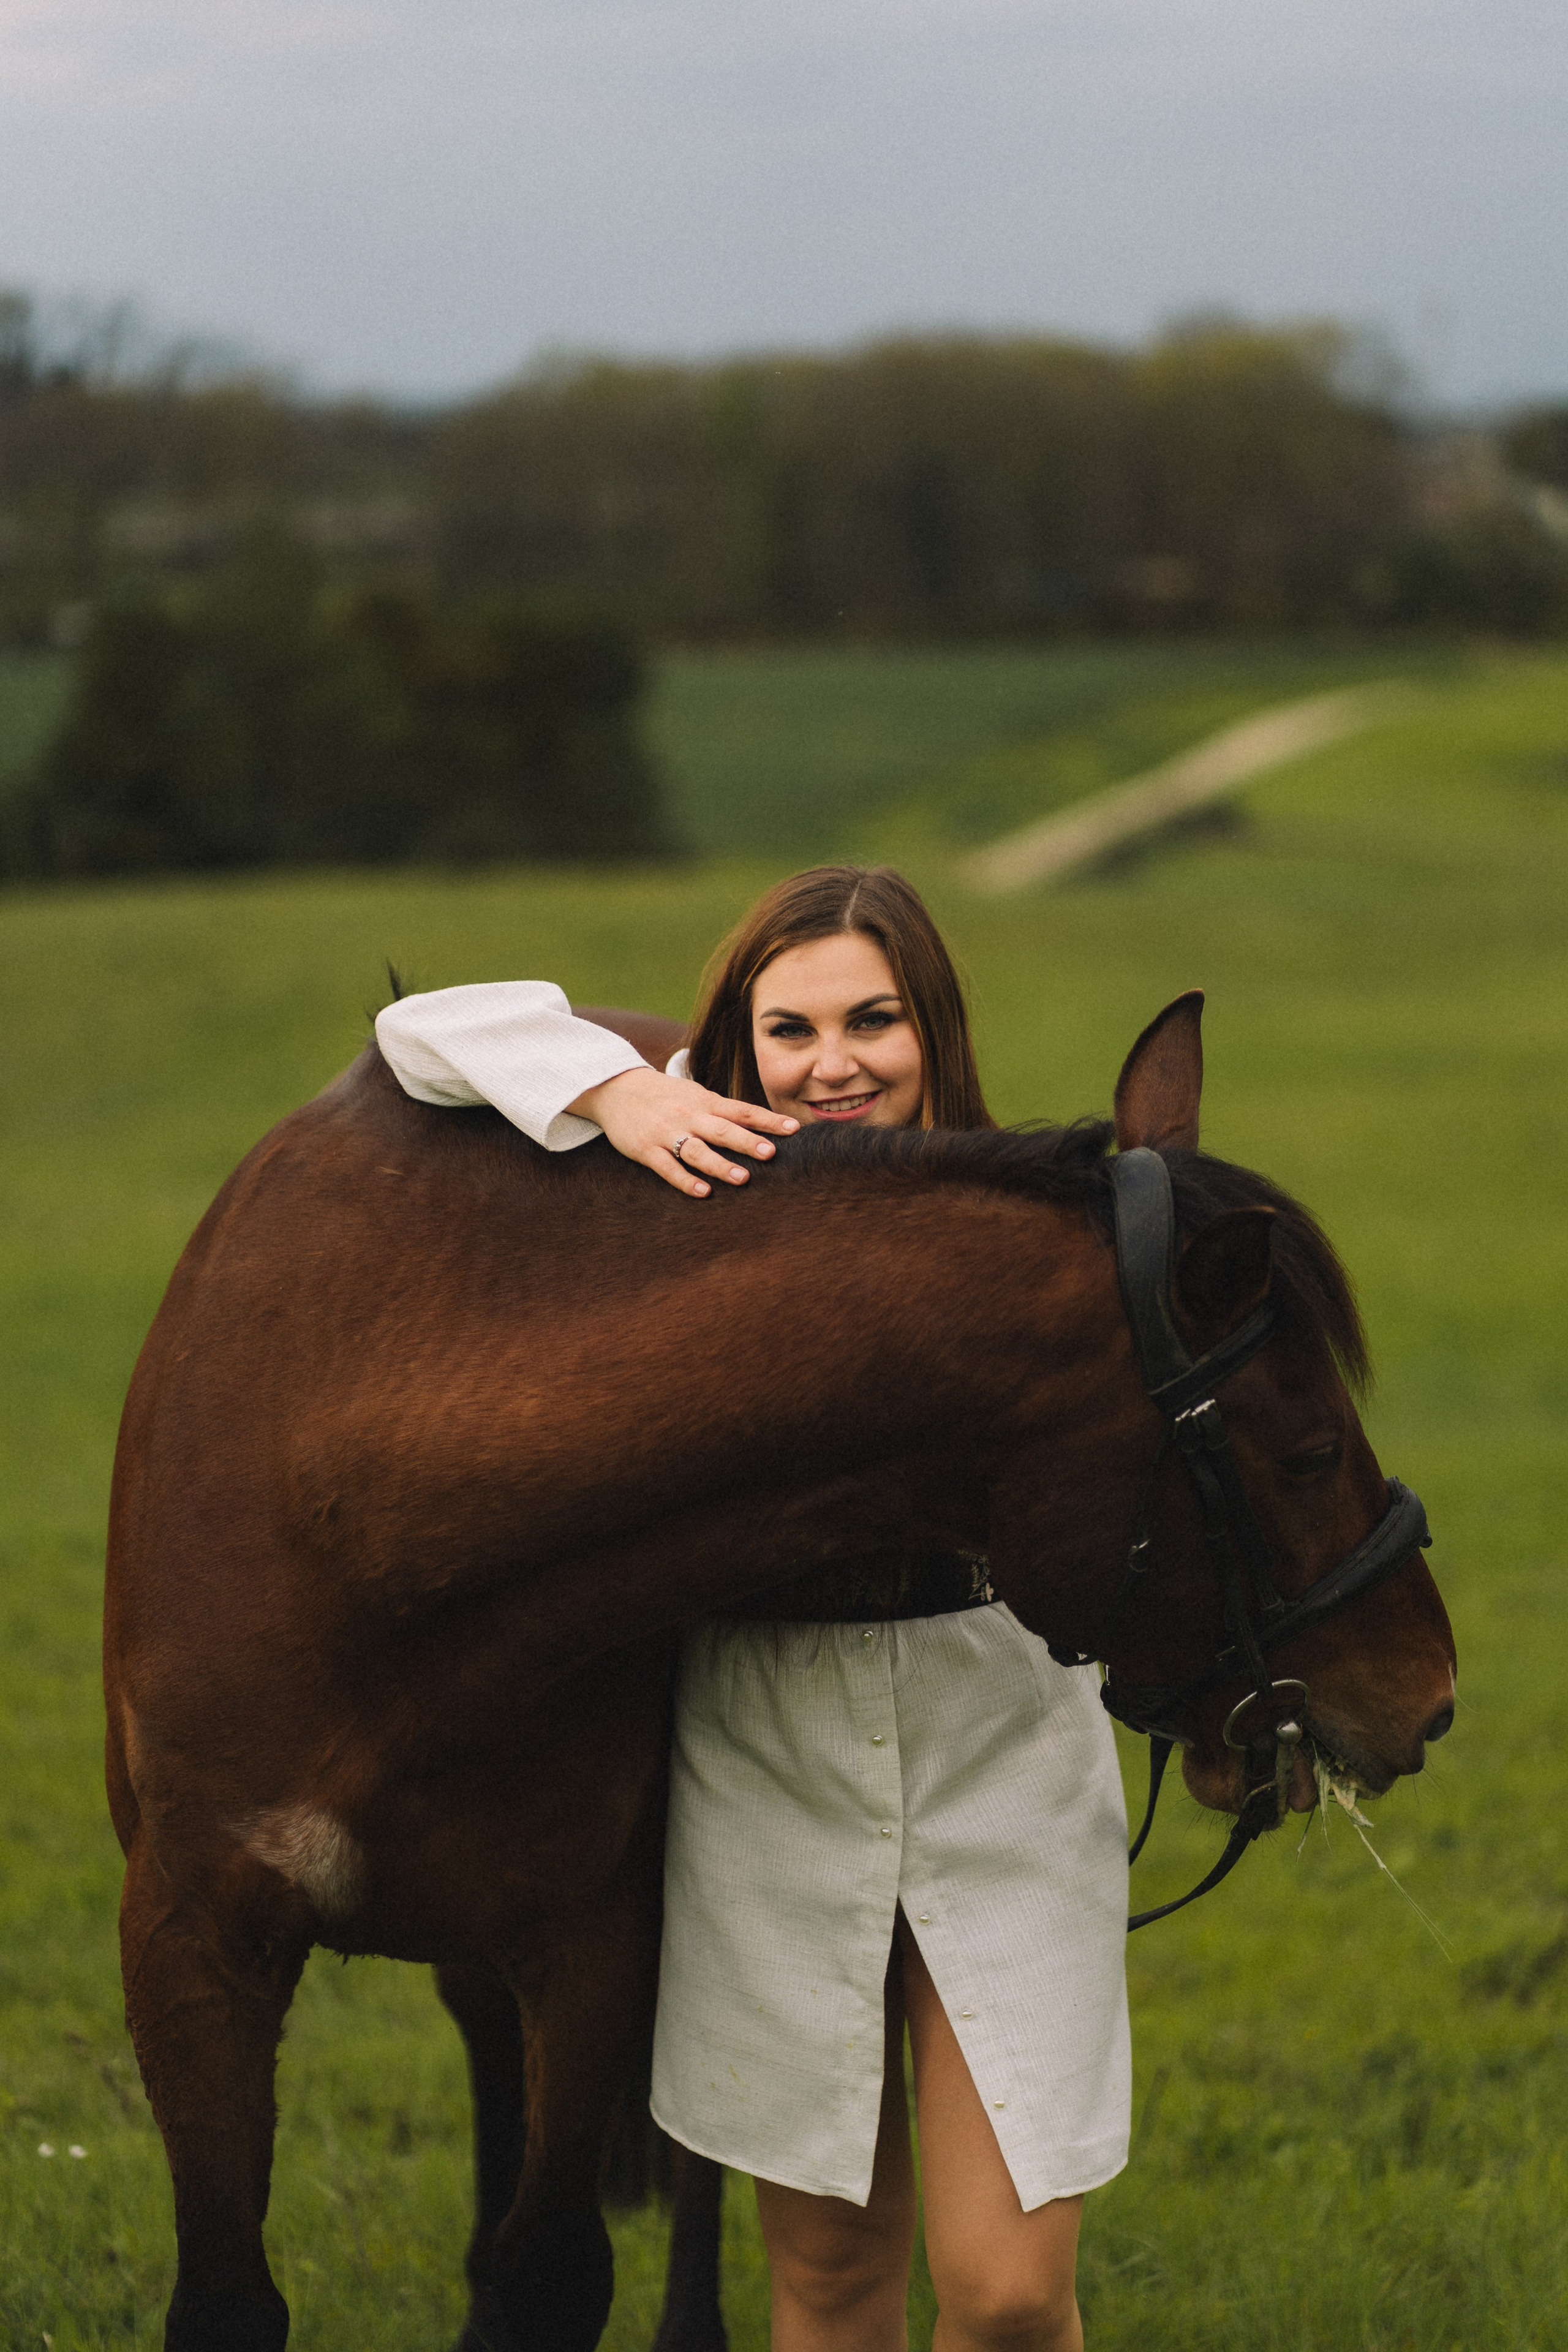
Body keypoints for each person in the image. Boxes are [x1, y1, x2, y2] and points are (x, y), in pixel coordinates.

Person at [376, 865, 1130, 2352]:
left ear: (935, 1029)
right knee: (831, 2283)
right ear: (742, 1045)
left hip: (1004, 1771)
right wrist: (615, 1093)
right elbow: (420, 1032)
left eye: (874, 1020)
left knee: (1005, 2292)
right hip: (773, 1777)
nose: (833, 1062)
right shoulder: (696, 1191)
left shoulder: (1016, 1228)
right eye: (789, 1030)